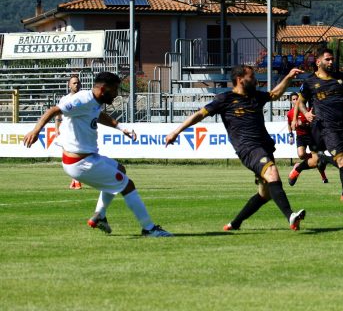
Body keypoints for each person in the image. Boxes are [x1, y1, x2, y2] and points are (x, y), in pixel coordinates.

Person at [23, 72, 172, 237]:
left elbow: (98, 115)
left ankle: (100, 216)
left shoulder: (94, 102)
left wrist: (121, 128)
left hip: (88, 157)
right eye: (114, 90)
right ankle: (149, 228)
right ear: (103, 89)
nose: (116, 95)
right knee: (127, 185)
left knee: (120, 170)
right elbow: (54, 110)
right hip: (80, 163)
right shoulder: (83, 100)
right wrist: (36, 130)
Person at [165, 64, 307, 231]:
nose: (255, 80)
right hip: (248, 149)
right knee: (272, 173)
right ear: (240, 80)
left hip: (264, 147)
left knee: (265, 193)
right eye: (251, 77)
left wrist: (289, 77)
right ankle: (291, 216)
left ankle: (235, 223)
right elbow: (199, 115)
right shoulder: (224, 99)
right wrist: (176, 132)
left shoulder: (255, 96)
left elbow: (275, 94)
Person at [296, 47, 343, 213]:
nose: (331, 62)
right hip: (327, 128)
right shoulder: (310, 82)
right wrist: (306, 113)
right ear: (318, 62)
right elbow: (300, 101)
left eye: (332, 59)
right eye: (327, 59)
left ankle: (324, 159)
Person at [287, 92, 330, 184]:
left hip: (310, 135)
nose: (295, 101)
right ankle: (308, 161)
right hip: (300, 136)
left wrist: (304, 124)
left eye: (296, 99)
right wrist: (290, 134)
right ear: (291, 101)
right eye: (293, 99)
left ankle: (323, 176)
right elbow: (289, 124)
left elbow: (312, 124)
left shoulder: (307, 110)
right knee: (301, 155)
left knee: (316, 160)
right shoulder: (290, 113)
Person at [56, 74, 84, 190]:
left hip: (79, 131)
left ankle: (76, 180)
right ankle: (75, 180)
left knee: (78, 156)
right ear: (69, 85)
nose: (76, 85)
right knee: (67, 157)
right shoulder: (64, 99)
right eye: (74, 83)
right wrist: (57, 129)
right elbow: (58, 114)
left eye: (78, 83)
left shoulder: (84, 98)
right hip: (67, 132)